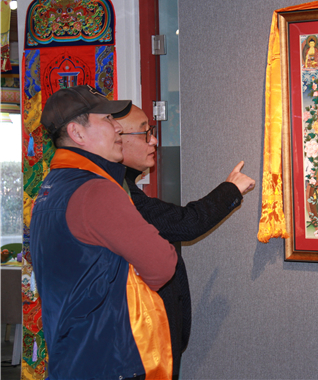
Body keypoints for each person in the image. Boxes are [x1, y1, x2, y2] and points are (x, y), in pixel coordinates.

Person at [30, 85, 177, 380]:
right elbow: (161, 264)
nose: (118, 129)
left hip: (72, 356)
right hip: (110, 358)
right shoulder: (95, 191)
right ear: (77, 132)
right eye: (108, 120)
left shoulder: (49, 189)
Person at [116, 104, 255, 379]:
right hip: (141, 347)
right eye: (145, 133)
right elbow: (185, 223)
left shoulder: (125, 186)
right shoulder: (117, 194)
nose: (154, 140)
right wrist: (231, 189)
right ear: (116, 138)